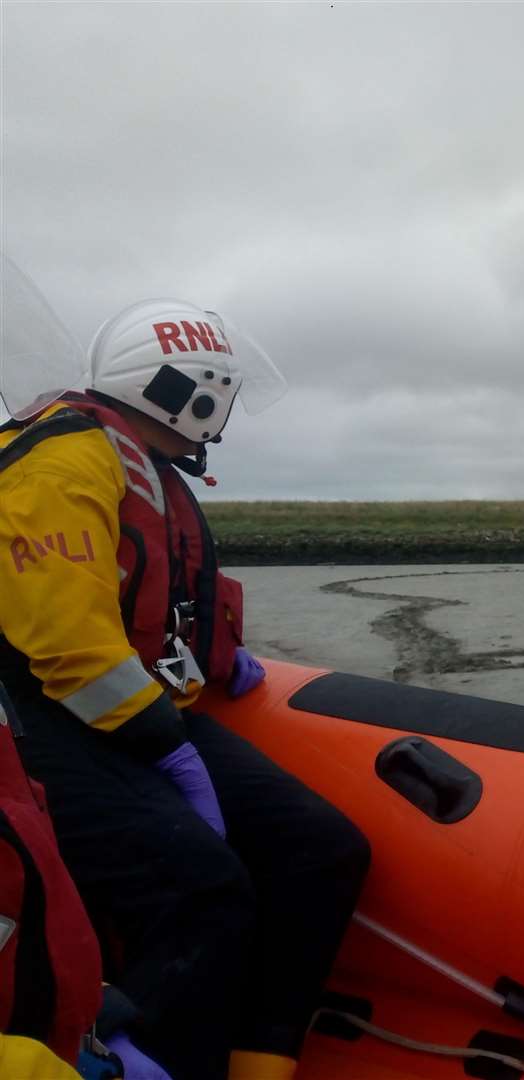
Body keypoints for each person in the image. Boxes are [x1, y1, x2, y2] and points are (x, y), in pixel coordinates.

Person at [0, 298, 370, 1080]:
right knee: (204, 889)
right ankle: (142, 1054)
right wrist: (166, 749)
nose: (225, 407)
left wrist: (218, 657)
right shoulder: (61, 459)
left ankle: (259, 1060)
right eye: (222, 390)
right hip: (43, 718)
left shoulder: (141, 462)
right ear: (185, 389)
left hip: (127, 713)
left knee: (322, 848)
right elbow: (68, 645)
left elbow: (165, 600)